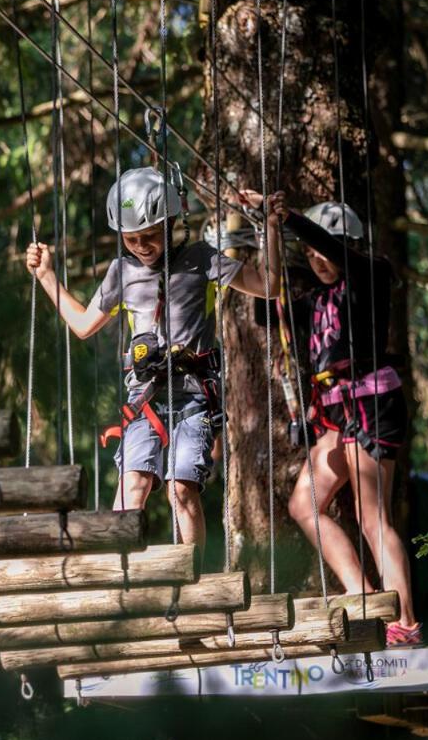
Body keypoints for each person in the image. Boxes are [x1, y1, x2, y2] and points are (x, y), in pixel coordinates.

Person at [24, 167, 283, 547]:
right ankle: (124, 578)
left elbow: (269, 286)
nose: (142, 246)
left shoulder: (202, 259)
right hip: (144, 398)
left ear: (172, 223)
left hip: (194, 398)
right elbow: (83, 325)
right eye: (131, 239)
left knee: (181, 490)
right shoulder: (121, 273)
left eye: (150, 236)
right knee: (134, 484)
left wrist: (272, 229)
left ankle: (193, 584)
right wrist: (47, 277)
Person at [282, 201, 422, 646]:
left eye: (326, 252)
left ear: (350, 247)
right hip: (339, 413)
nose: (318, 260)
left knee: (371, 515)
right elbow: (269, 307)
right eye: (309, 256)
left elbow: (334, 252)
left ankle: (405, 623)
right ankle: (362, 593)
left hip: (372, 403)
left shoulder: (369, 274)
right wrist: (263, 239)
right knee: (304, 505)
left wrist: (289, 218)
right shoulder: (317, 300)